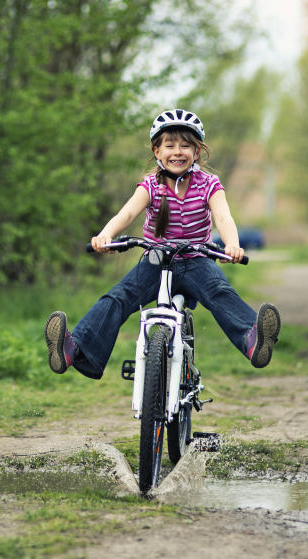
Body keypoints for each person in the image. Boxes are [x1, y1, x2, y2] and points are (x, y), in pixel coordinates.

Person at [44, 109, 280, 379]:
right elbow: (127, 213)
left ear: (197, 152)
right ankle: (72, 349)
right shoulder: (151, 186)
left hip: (197, 260)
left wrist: (232, 245)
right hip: (156, 261)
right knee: (118, 298)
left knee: (219, 291)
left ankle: (253, 341)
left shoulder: (208, 184)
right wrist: (105, 235)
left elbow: (223, 217)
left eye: (185, 146)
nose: (177, 151)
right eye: (169, 145)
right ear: (157, 151)